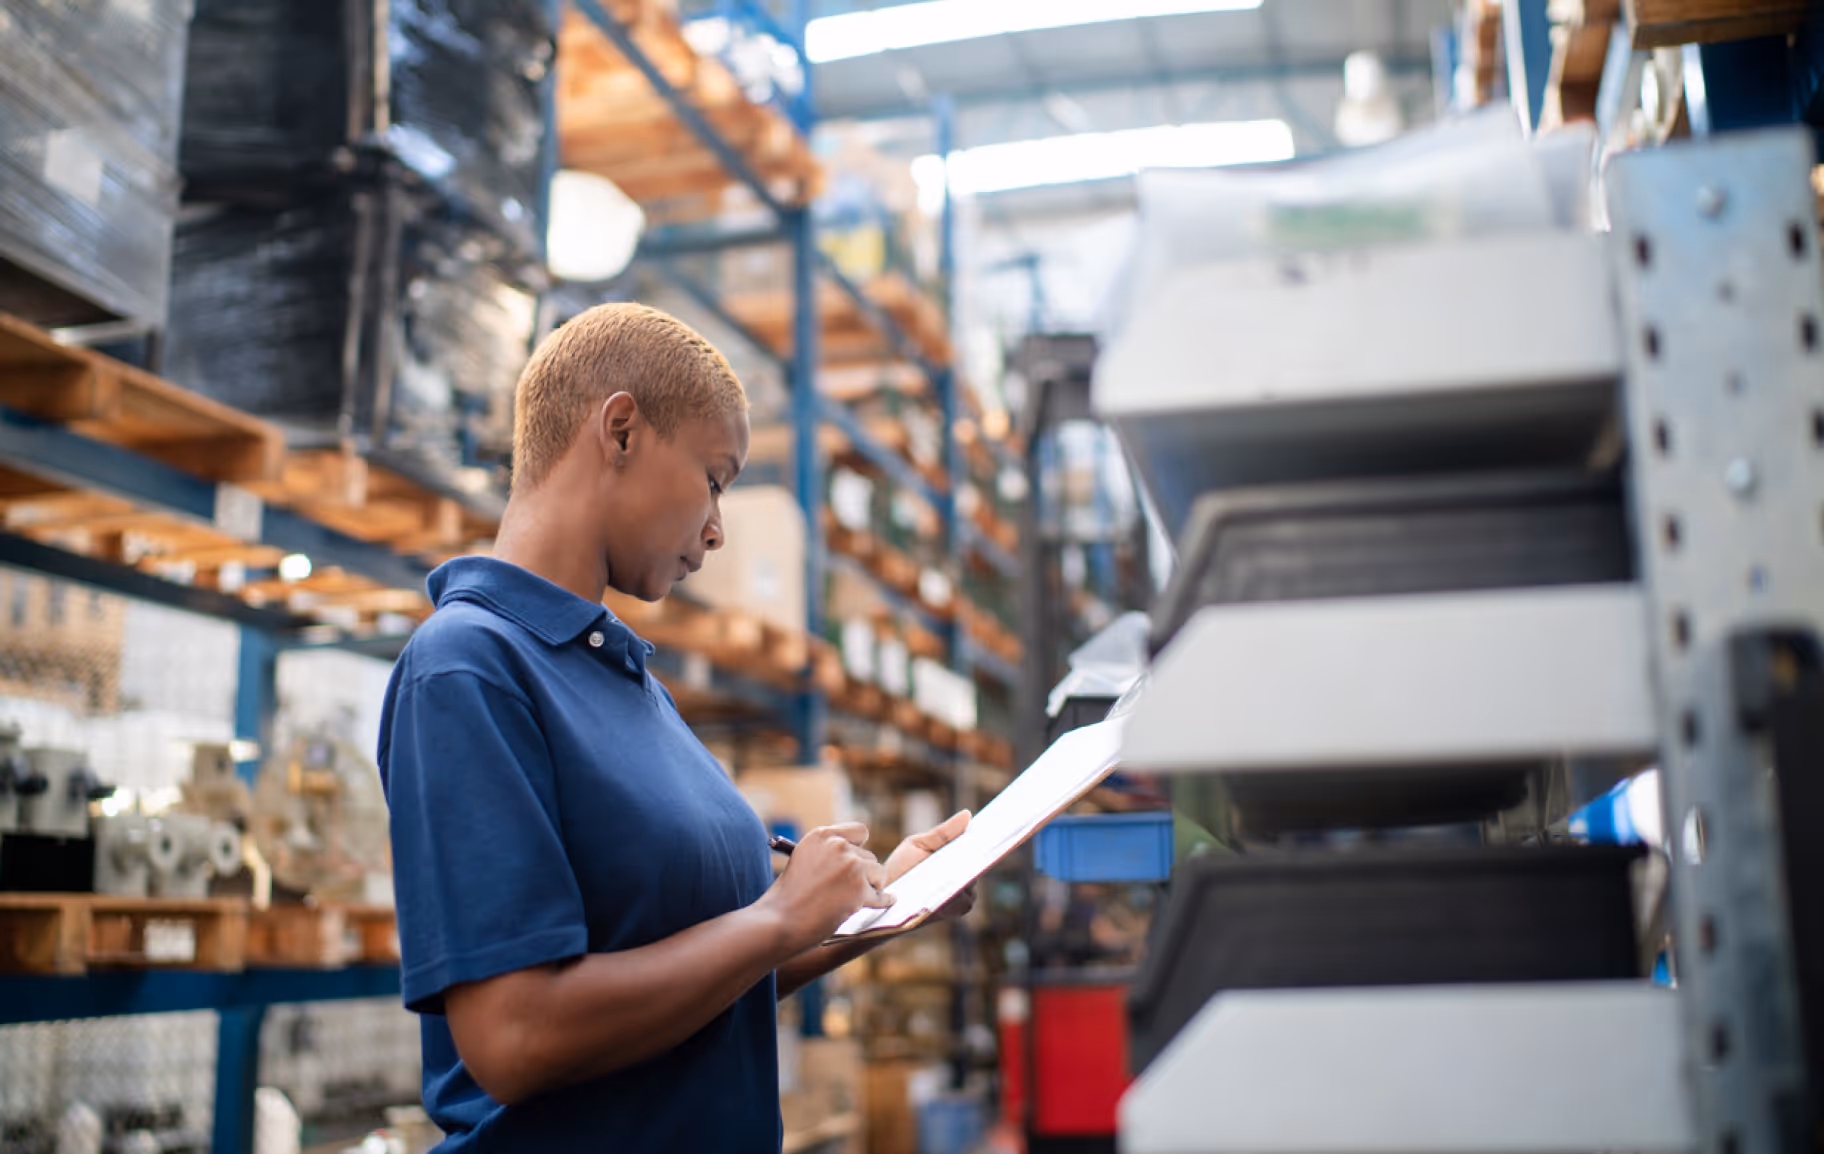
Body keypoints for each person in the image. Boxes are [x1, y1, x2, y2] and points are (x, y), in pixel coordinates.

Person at [378, 303, 973, 1152]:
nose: (718, 528)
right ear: (620, 430)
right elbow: (515, 1037)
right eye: (716, 478)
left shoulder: (623, 679)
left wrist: (887, 906)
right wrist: (775, 919)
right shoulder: (469, 667)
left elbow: (705, 980)